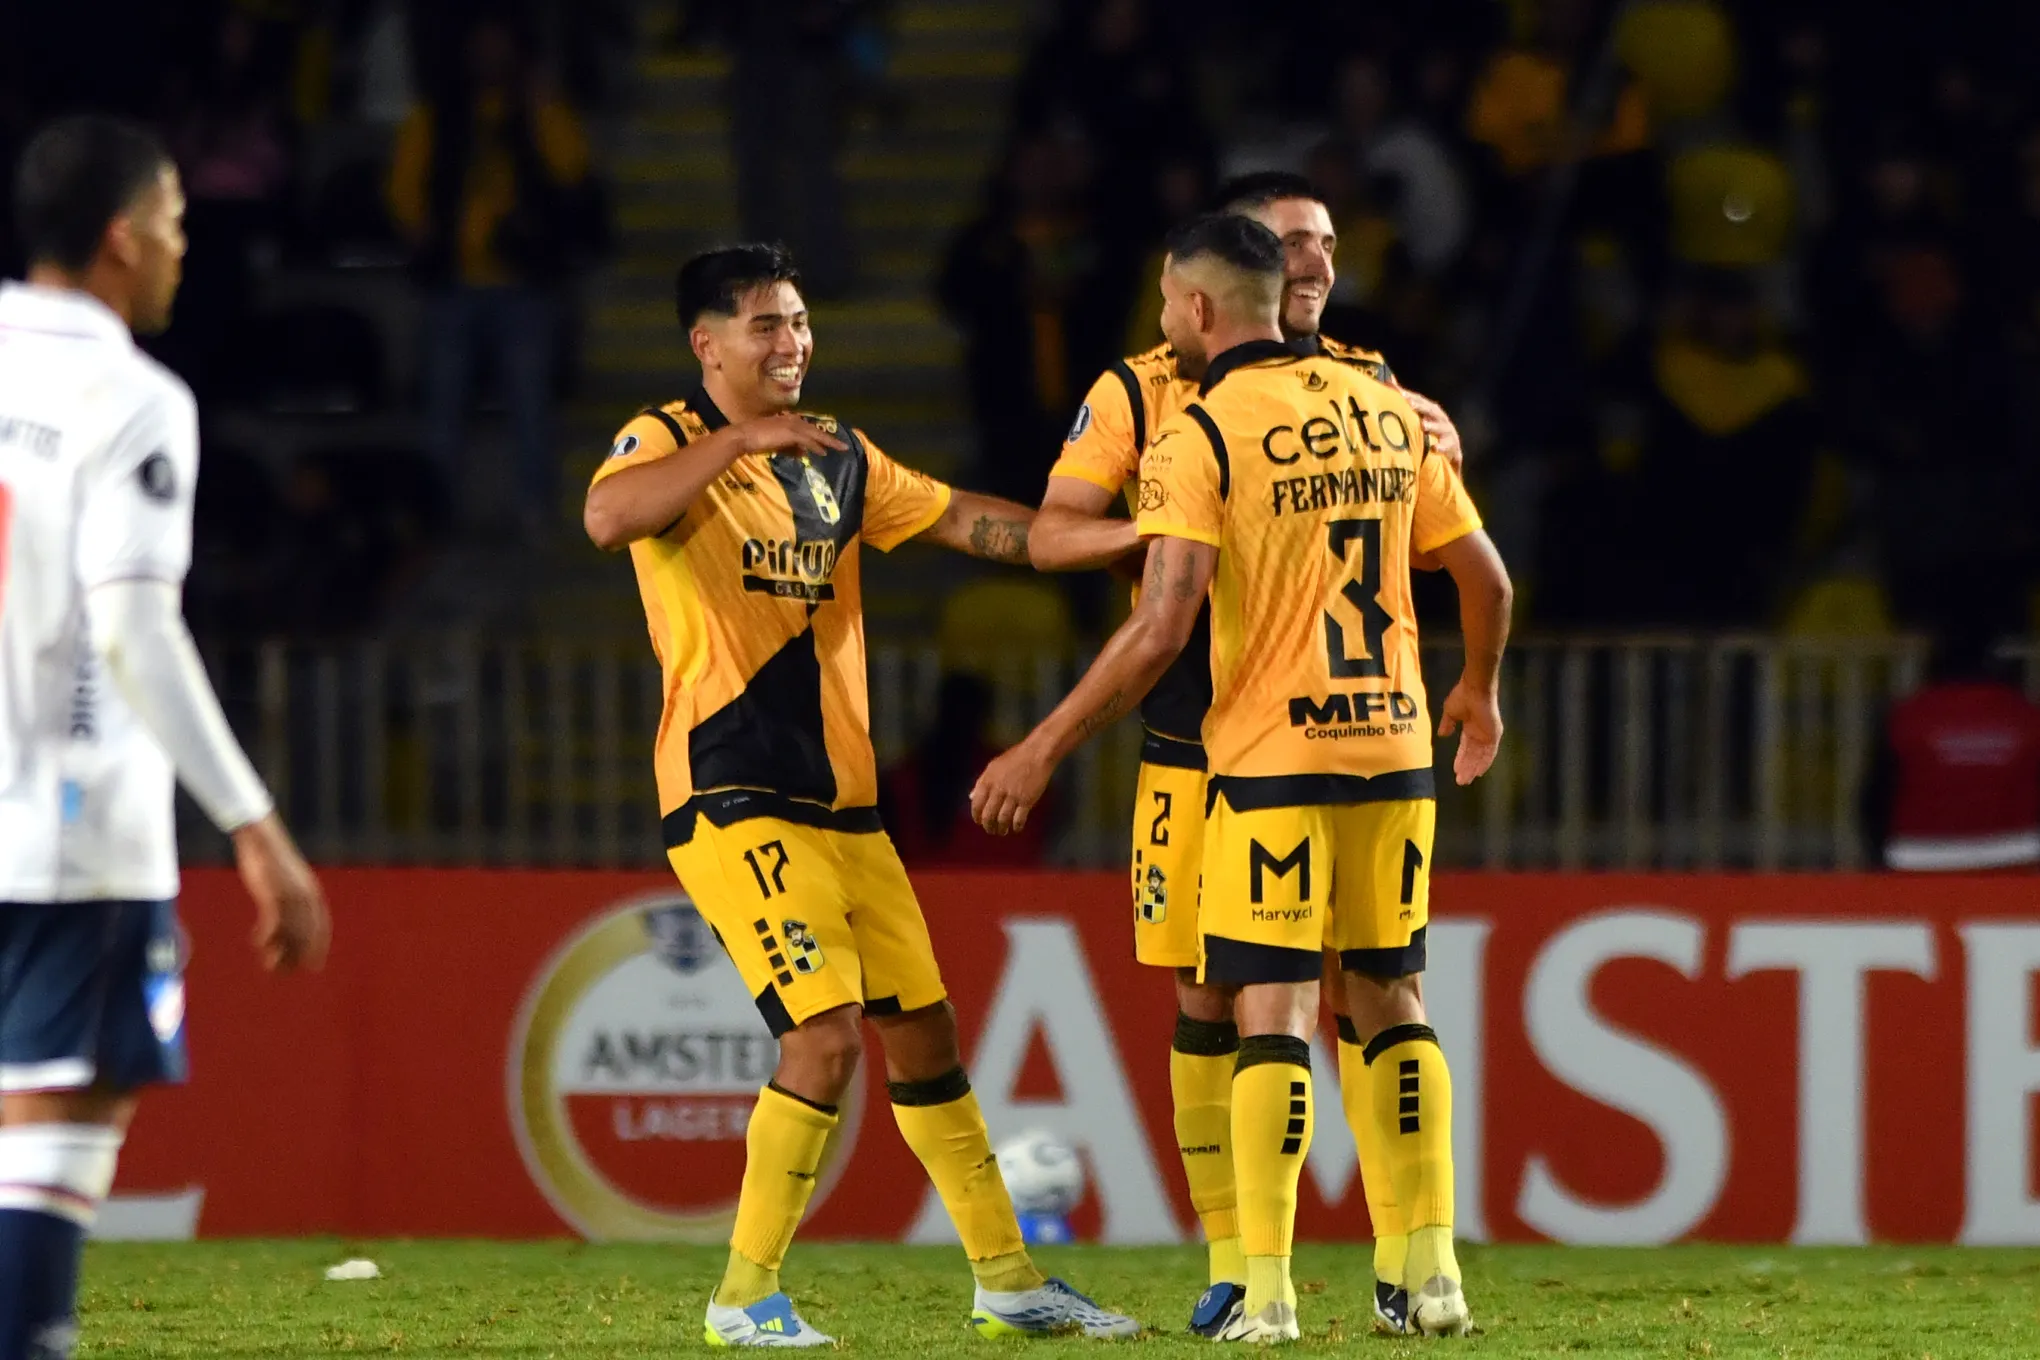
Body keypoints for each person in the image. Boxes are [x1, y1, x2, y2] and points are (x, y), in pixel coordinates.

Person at [581, 242, 1137, 1347]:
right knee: (824, 1039)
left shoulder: (838, 454)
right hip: (733, 791)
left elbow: (974, 522)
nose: (792, 343)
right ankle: (743, 1296)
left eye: (798, 322)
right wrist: (738, 441)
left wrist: (1121, 541)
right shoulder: (669, 436)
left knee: (923, 1034)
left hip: (843, 804)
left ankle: (1008, 1279)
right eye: (766, 326)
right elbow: (607, 519)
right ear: (706, 345)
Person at [973, 214, 1512, 1341]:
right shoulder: (1386, 409)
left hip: (1267, 757)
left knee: (1270, 1011)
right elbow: (1488, 579)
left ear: (1199, 307)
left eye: (1170, 302)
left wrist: (1043, 743)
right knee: (1391, 995)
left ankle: (1263, 1288)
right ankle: (1432, 1273)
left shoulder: (1202, 431)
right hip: (1394, 746)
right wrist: (1476, 688)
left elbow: (1162, 625)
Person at [0, 115, 329, 1359]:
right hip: (70, 826)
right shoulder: (132, 397)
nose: (187, 245)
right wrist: (256, 825)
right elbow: (134, 628)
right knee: (64, 1113)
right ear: (123, 238)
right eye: (177, 221)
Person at [388, 16, 591, 537]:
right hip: (452, 285)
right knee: (442, 408)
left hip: (524, 286)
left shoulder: (537, 112)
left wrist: (542, 104)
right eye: (480, 47)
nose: (489, 58)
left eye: (499, 47)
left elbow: (573, 169)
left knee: (530, 404)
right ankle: (436, 514)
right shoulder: (438, 116)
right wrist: (418, 227)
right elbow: (405, 184)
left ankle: (534, 509)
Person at [1863, 624, 2040, 871]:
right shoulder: (2029, 716)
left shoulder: (1905, 716)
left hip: (1917, 858)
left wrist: (1877, 858)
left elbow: (1875, 797)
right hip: (2019, 856)